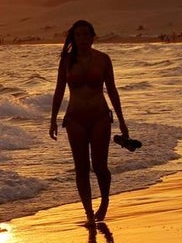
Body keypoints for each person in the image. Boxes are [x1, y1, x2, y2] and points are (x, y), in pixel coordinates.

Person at [49, 19, 130, 222]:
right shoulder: (66, 61)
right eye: (78, 35)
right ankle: (88, 213)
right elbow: (59, 90)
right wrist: (52, 119)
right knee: (82, 168)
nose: (82, 39)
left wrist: (121, 120)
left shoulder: (103, 59)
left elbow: (112, 90)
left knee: (100, 166)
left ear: (92, 37)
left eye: (86, 35)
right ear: (73, 38)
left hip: (99, 117)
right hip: (75, 118)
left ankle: (104, 202)